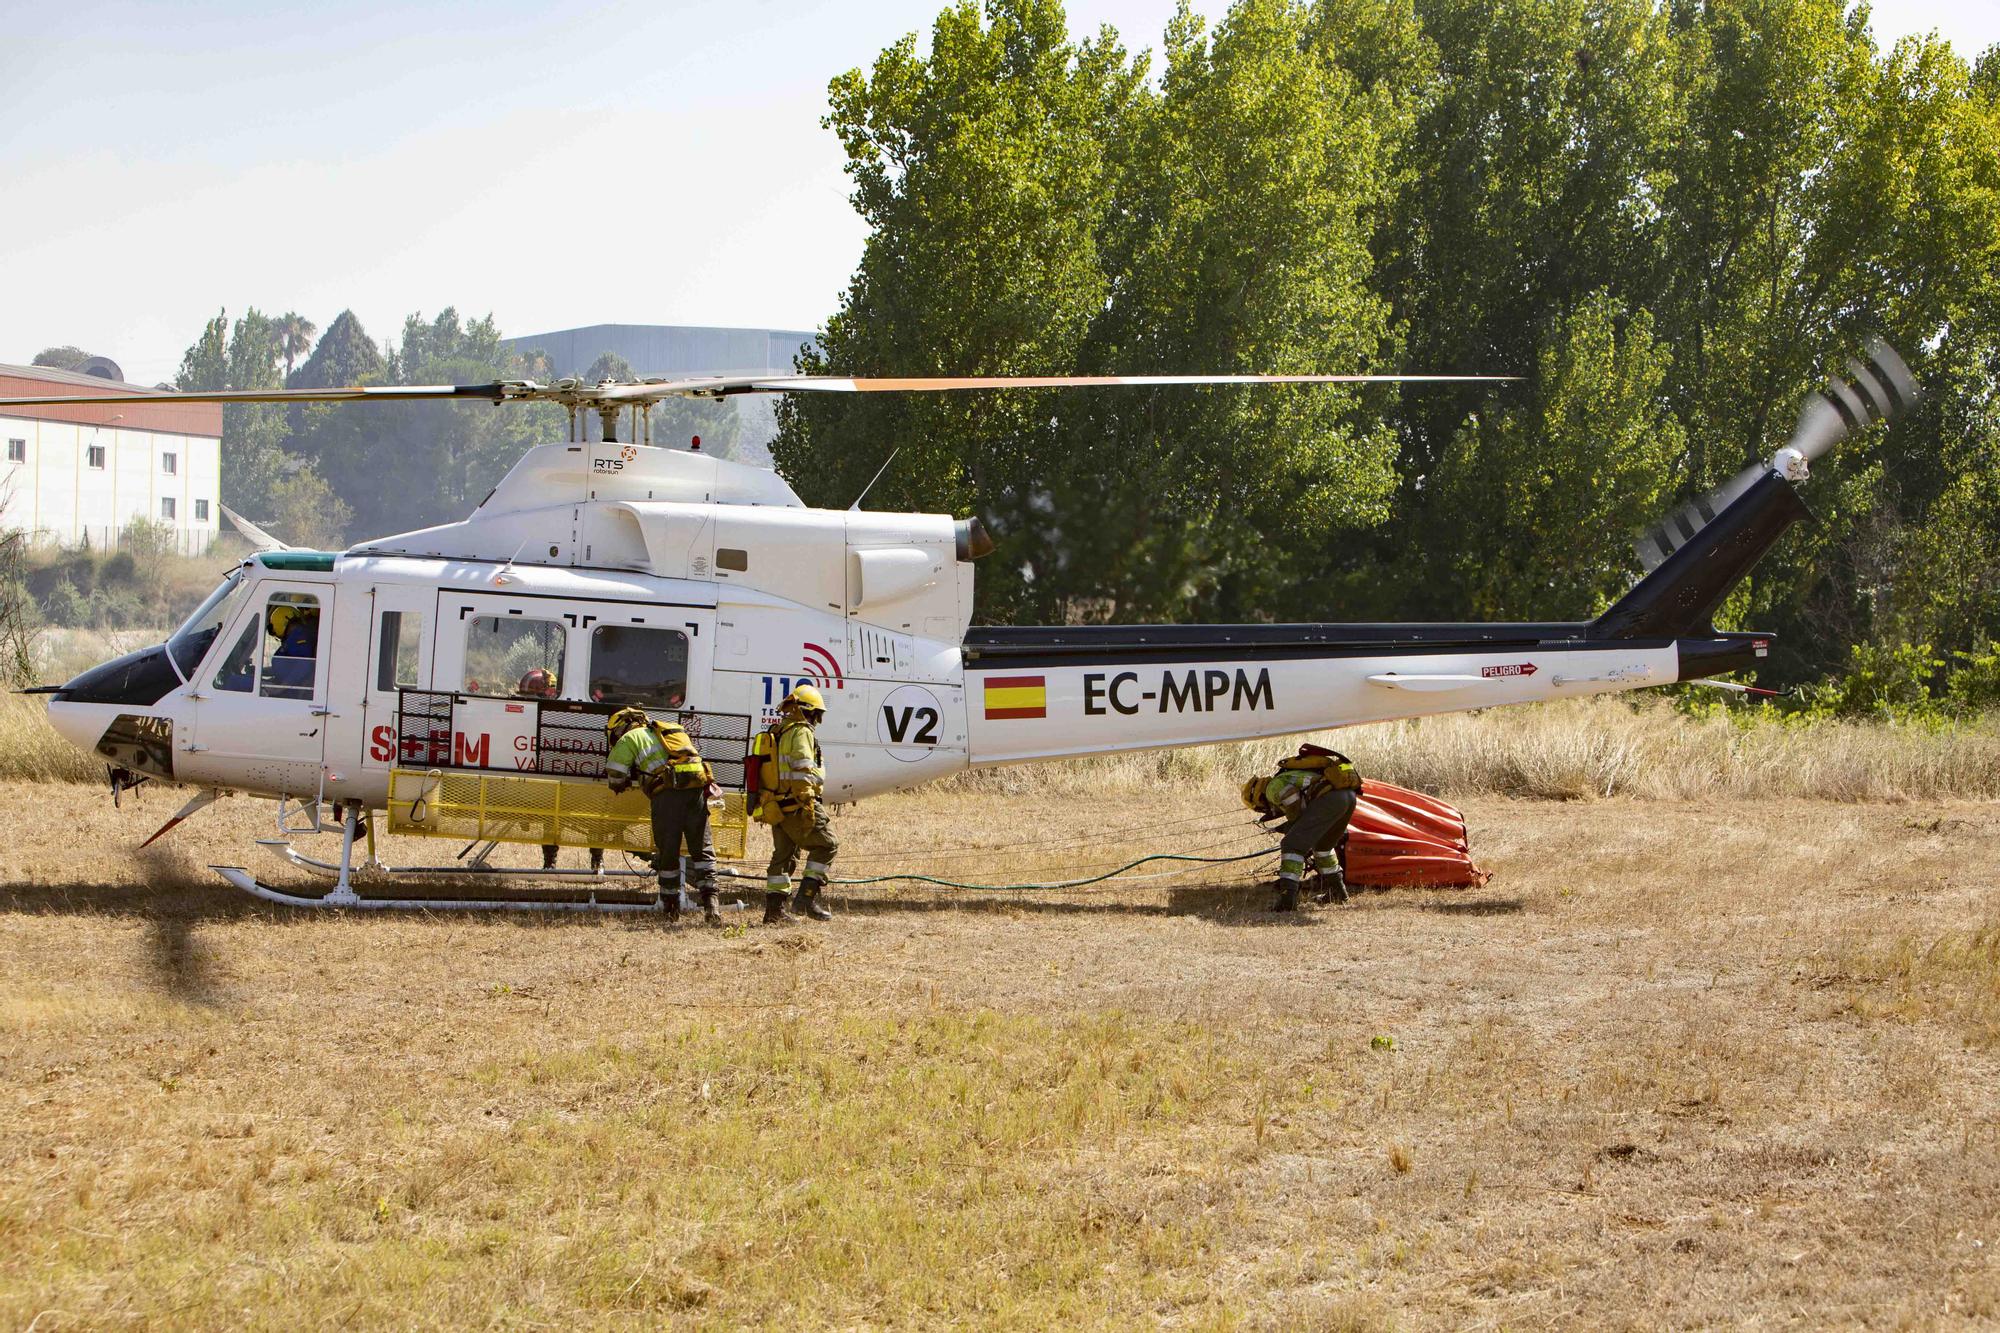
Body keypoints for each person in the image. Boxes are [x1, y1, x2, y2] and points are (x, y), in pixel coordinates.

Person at [604, 706, 720, 926]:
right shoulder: (669, 730)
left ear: (621, 727)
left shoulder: (630, 738)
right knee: (702, 850)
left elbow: (616, 773)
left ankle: (670, 908)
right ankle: (711, 905)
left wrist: (620, 784)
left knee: (669, 853)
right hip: (696, 790)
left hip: (667, 796)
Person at [1241, 746, 1363, 912]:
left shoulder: (1272, 788)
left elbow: (1292, 801)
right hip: (1348, 797)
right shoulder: (1287, 776)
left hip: (1331, 800)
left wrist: (1291, 825)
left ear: (1257, 797)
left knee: (1291, 845)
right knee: (1323, 846)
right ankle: (1338, 892)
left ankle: (1287, 900)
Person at [760, 683, 838, 924]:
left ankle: (774, 913)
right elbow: (802, 767)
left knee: (784, 856)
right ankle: (805, 899)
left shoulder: (778, 730)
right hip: (797, 803)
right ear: (808, 711)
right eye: (817, 714)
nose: (817, 720)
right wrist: (806, 802)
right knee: (827, 845)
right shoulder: (801, 731)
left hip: (776, 806)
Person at [518, 668, 602, 874]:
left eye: (535, 693)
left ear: (549, 691)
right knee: (550, 819)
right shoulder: (540, 712)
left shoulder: (566, 709)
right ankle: (550, 862)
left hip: (580, 774)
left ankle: (597, 860)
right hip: (555, 774)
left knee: (596, 818)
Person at [263, 603, 319, 697]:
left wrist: (280, 688)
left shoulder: (299, 636)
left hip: (292, 692)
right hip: (285, 687)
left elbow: (303, 666)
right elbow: (288, 668)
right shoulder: (294, 638)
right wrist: (261, 671)